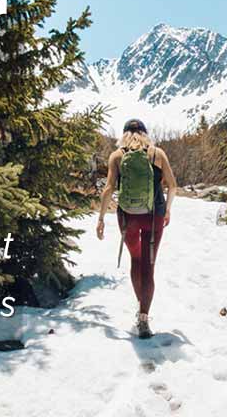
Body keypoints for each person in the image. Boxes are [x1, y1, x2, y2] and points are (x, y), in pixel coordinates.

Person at [96, 119, 176, 338]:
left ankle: (140, 303)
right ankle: (144, 316)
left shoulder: (117, 156)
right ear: (145, 133)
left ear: (124, 134)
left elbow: (109, 189)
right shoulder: (157, 154)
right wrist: (167, 209)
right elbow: (173, 185)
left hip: (128, 218)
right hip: (154, 217)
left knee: (136, 260)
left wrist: (101, 219)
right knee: (149, 265)